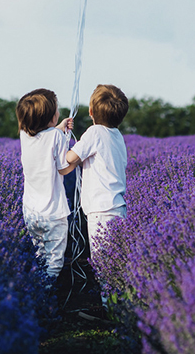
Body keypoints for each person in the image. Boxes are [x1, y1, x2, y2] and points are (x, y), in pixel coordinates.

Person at [17, 88, 77, 280]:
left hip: (31, 212)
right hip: (53, 212)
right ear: (51, 117)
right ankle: (48, 295)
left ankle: (37, 291)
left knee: (40, 255)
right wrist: (78, 157)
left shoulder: (24, 135)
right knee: (54, 261)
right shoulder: (56, 137)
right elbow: (63, 168)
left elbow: (44, 138)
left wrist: (58, 128)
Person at [65, 84, 128, 262]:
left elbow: (71, 158)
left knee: (103, 264)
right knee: (116, 261)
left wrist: (63, 141)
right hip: (118, 208)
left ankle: (107, 290)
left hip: (101, 211)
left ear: (91, 111)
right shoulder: (117, 135)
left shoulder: (94, 132)